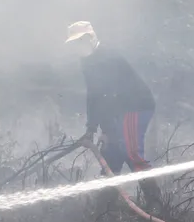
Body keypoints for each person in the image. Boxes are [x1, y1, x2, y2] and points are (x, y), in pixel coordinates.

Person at [65, 21, 160, 205]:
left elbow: (108, 97)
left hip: (135, 106)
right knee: (111, 152)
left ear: (91, 38)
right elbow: (94, 95)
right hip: (117, 108)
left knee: (131, 151)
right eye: (74, 44)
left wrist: (106, 129)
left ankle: (155, 203)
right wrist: (91, 128)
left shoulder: (108, 58)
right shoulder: (87, 61)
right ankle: (105, 206)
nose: (77, 47)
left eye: (80, 42)